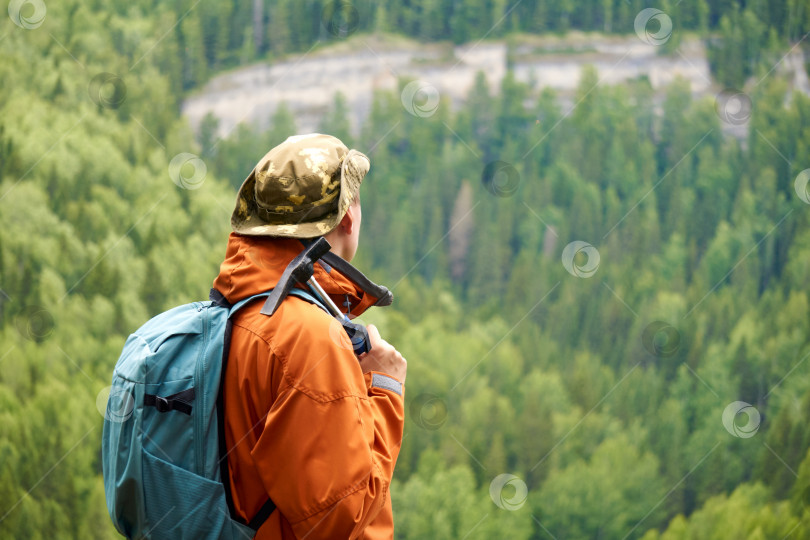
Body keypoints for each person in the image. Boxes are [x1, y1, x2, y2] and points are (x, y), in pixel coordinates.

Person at [212, 133, 407, 539]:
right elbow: (337, 521)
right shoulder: (308, 337)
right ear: (348, 217)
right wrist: (386, 388)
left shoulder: (237, 310)